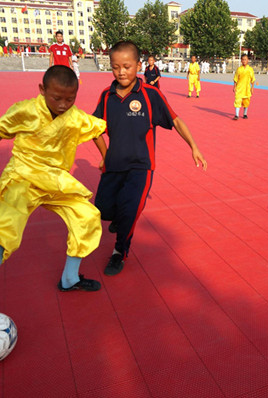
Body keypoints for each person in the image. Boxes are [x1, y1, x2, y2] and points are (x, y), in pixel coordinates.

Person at [0, 66, 107, 329]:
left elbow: (96, 131)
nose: (63, 104)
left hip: (56, 179)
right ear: (42, 90)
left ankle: (70, 279)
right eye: (56, 98)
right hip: (23, 177)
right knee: (7, 229)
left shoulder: (76, 117)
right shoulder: (25, 110)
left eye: (70, 99)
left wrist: (106, 157)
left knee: (87, 216)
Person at [92, 41, 207, 276]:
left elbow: (175, 120)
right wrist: (105, 156)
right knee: (102, 210)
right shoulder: (106, 96)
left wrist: (193, 146)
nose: (121, 72)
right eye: (115, 67)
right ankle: (119, 219)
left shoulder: (150, 95)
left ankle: (119, 253)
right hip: (113, 165)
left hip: (141, 167)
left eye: (126, 66)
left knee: (131, 211)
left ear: (138, 66)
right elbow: (94, 130)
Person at [233, 54, 256, 120]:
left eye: (245, 59)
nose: (244, 61)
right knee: (237, 101)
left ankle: (245, 114)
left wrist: (252, 88)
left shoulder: (250, 69)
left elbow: (253, 80)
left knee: (246, 102)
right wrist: (234, 87)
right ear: (241, 61)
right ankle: (236, 115)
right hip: (239, 88)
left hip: (247, 88)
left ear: (248, 60)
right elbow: (235, 79)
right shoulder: (239, 69)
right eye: (242, 60)